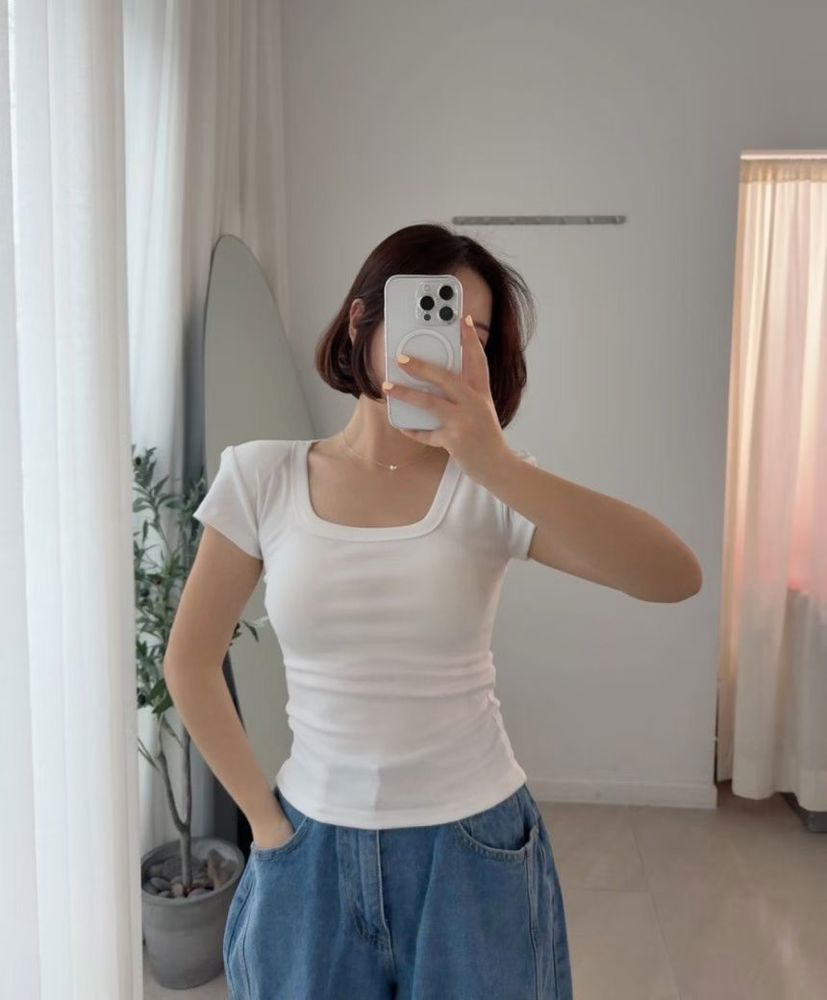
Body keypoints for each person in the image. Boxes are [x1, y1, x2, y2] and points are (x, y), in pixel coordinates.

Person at [165, 223, 700, 999]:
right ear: (361, 321)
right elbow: (189, 660)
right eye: (435, 315)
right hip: (308, 841)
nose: (449, 346)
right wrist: (267, 825)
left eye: (473, 334)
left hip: (472, 847)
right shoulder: (261, 477)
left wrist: (495, 462)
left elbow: (672, 576)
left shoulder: (493, 488)